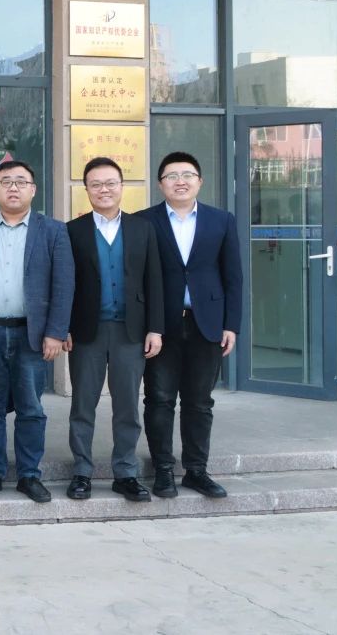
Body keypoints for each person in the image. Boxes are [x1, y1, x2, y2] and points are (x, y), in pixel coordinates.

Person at [0, 160, 74, 504]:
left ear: (33, 190)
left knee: (31, 408)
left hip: (33, 335)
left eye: (21, 181)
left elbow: (64, 285)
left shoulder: (53, 230)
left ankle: (29, 475)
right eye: (6, 181)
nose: (13, 187)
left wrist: (56, 332)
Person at [138, 151, 242, 499]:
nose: (180, 181)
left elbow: (233, 276)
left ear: (200, 181)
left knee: (199, 401)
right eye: (171, 176)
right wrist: (146, 325)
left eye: (187, 175)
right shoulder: (144, 221)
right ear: (160, 184)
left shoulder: (221, 220)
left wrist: (231, 324)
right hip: (161, 326)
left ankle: (196, 470)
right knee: (159, 399)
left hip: (207, 324)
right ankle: (163, 470)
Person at [64, 157, 164, 502]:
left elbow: (154, 281)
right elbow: (65, 284)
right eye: (96, 184)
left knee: (127, 407)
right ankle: (82, 471)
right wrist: (63, 327)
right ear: (87, 189)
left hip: (130, 332)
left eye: (110, 183)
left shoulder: (142, 229)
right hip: (86, 333)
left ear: (121, 187)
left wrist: (155, 328)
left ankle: (126, 473)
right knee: (83, 405)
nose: (103, 189)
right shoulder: (72, 230)